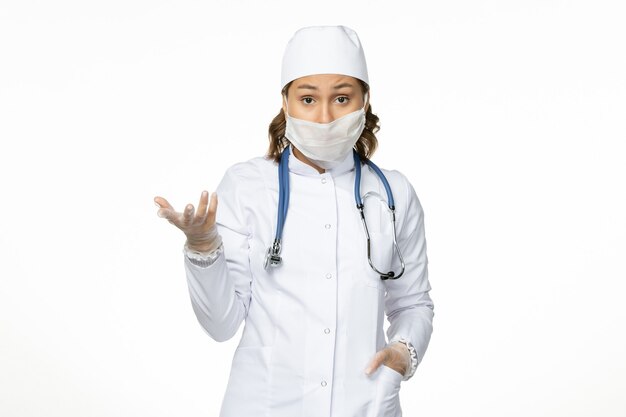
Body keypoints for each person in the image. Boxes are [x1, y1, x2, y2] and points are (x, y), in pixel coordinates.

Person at [154, 25, 434, 417]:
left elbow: (414, 304)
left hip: (365, 406)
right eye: (307, 99)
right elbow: (220, 324)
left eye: (341, 98)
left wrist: (403, 352)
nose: (323, 117)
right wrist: (203, 247)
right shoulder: (247, 186)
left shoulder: (393, 194)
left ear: (365, 101)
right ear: (285, 102)